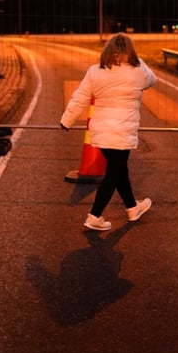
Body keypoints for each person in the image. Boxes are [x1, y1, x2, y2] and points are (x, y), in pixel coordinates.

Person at [60, 33, 157, 231]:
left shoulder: (95, 71)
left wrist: (66, 120)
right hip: (123, 130)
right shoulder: (138, 71)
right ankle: (94, 215)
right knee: (113, 173)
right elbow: (152, 80)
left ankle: (132, 208)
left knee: (119, 169)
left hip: (102, 132)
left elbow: (80, 97)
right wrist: (139, 62)